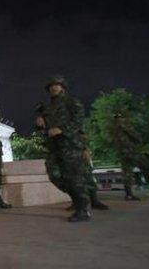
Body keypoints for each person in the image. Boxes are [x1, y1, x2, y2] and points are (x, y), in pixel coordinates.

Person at [35, 75, 92, 222]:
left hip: (70, 144)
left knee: (74, 176)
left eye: (57, 85)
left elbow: (79, 122)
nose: (54, 87)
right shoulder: (48, 107)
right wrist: (40, 123)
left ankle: (83, 209)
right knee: (54, 175)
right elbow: (44, 128)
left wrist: (62, 129)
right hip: (54, 146)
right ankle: (77, 199)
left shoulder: (72, 102)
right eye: (51, 86)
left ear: (63, 87)